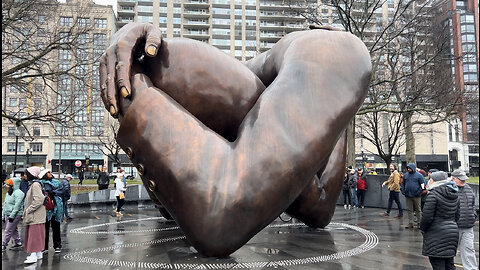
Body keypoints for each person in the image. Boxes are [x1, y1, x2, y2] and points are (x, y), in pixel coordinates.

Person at [99, 22, 372, 256]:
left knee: (310, 207)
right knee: (314, 204)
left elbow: (221, 218)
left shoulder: (331, 53)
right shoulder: (275, 77)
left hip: (330, 54)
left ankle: (137, 79)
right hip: (308, 66)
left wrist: (132, 97)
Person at [420, 171, 460, 270]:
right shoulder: (455, 194)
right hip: (452, 233)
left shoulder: (433, 195)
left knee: (438, 264)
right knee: (449, 264)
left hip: (436, 234)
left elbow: (426, 218)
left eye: (431, 179)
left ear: (435, 181)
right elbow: (457, 216)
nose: (429, 181)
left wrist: (423, 229)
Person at [451, 169, 478, 270]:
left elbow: (472, 204)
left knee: (469, 250)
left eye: (464, 179)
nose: (464, 181)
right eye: (461, 179)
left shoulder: (468, 188)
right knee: (450, 251)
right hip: (453, 226)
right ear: (453, 179)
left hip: (468, 226)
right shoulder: (448, 189)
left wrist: (473, 216)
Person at [22, 166, 46, 264]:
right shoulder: (35, 184)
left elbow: (39, 199)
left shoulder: (35, 185)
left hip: (35, 215)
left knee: (34, 235)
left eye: (25, 174)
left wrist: (29, 210)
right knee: (37, 235)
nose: (24, 176)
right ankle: (38, 253)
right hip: (37, 215)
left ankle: (33, 255)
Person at [38, 169, 63, 253]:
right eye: (48, 173)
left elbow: (62, 191)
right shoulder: (40, 184)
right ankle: (44, 247)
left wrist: (53, 192)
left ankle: (57, 245)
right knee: (45, 228)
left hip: (56, 208)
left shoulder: (56, 182)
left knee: (56, 227)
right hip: (45, 208)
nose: (50, 173)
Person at [2, 178, 25, 251]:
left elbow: (17, 206)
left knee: (8, 230)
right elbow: (5, 204)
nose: (7, 186)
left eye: (8, 184)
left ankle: (4, 244)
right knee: (13, 229)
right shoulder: (9, 192)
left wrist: (12, 216)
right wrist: (3, 215)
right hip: (7, 213)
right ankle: (18, 242)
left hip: (15, 214)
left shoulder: (19, 193)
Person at [401, 163, 424, 229]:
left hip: (416, 195)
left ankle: (419, 222)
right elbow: (403, 183)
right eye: (408, 168)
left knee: (418, 209)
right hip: (408, 195)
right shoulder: (406, 175)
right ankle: (411, 222)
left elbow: (422, 184)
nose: (408, 169)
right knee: (409, 209)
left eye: (410, 168)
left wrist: (419, 192)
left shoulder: (419, 176)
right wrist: (402, 190)